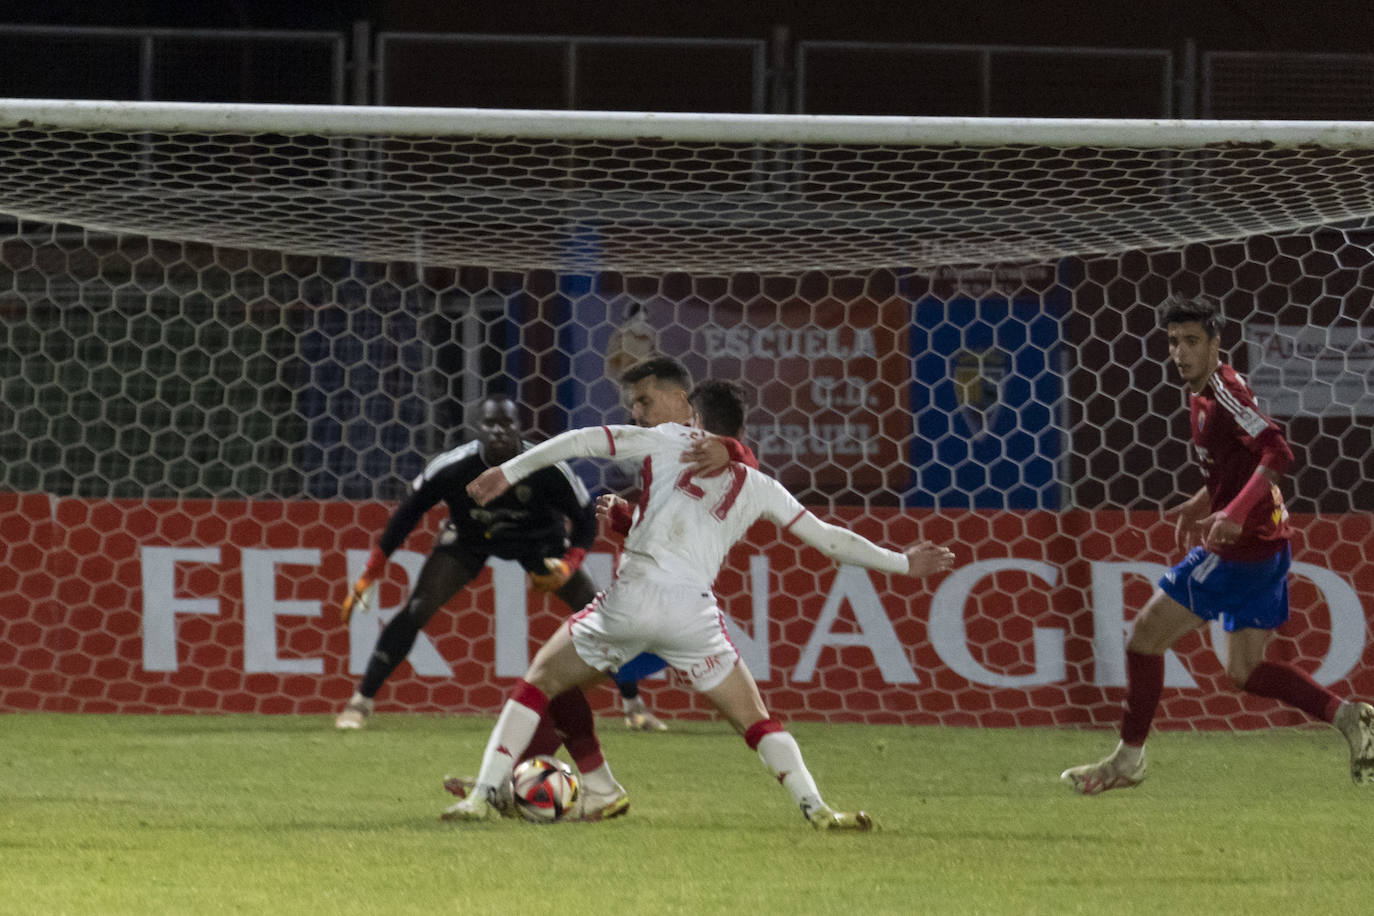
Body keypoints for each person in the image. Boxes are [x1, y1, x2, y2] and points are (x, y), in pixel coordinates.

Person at [443, 380, 956, 829]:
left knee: (539, 681)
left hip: (634, 602)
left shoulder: (669, 440)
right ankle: (818, 808)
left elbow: (580, 440)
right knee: (755, 721)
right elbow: (829, 540)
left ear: (695, 418)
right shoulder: (759, 484)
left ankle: (481, 796)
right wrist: (903, 564)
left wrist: (508, 472)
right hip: (693, 618)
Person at [1061, 293, 1374, 795]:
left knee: (1144, 636)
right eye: (1172, 342)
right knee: (1245, 671)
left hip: (1239, 552)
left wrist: (1231, 512)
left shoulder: (1226, 392)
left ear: (1215, 344)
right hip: (1269, 547)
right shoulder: (1205, 394)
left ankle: (1128, 760)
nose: (1180, 352)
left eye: (1191, 341)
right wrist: (1204, 500)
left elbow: (1278, 450)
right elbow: (1239, 463)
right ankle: (1348, 717)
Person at [334, 393, 655, 749]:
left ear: (519, 427)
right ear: (478, 429)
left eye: (507, 423)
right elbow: (408, 514)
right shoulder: (453, 466)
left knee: (596, 612)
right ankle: (360, 701)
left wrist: (569, 565)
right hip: (469, 539)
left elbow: (583, 520)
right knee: (418, 607)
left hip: (540, 543)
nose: (499, 431)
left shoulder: (546, 465)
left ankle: (634, 704)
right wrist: (372, 571)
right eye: (491, 424)